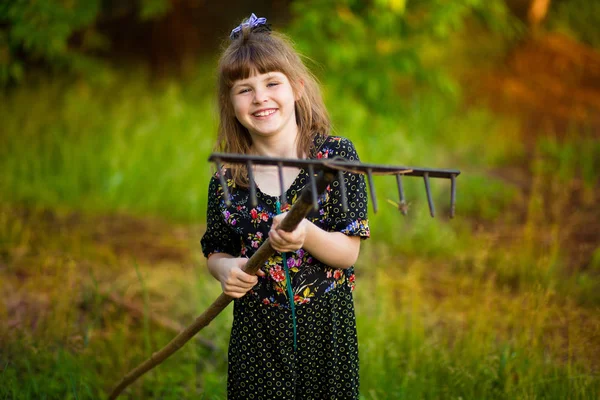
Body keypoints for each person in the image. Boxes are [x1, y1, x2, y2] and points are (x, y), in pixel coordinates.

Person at [200, 13, 370, 400]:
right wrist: (226, 267)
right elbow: (216, 248)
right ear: (231, 102)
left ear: (296, 87)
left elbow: (347, 252)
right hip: (257, 337)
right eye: (244, 89)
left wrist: (306, 234)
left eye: (271, 83)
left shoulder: (335, 158)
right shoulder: (228, 177)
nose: (259, 97)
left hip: (326, 333)